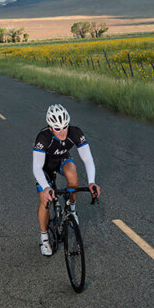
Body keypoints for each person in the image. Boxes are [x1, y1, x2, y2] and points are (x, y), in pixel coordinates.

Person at [33, 104, 100, 256]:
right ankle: (44, 237)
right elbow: (37, 168)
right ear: (50, 128)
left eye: (65, 127)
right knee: (45, 201)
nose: (62, 132)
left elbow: (88, 159)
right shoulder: (43, 137)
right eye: (57, 128)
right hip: (44, 167)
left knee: (72, 174)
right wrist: (45, 187)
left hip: (62, 160)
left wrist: (91, 182)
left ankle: (72, 209)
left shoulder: (75, 132)